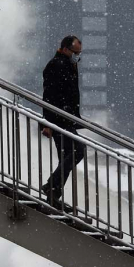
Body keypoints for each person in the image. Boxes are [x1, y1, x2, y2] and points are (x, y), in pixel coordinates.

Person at [41, 36, 85, 207]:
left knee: (67, 156)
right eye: (75, 53)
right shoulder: (56, 65)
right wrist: (47, 123)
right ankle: (52, 187)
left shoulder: (68, 65)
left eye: (79, 54)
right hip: (58, 119)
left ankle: (53, 193)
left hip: (65, 118)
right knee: (77, 150)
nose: (77, 57)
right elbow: (49, 96)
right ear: (66, 49)